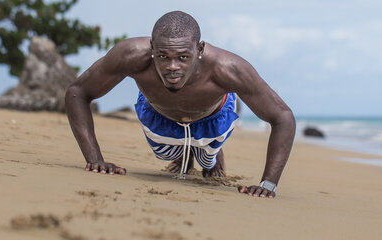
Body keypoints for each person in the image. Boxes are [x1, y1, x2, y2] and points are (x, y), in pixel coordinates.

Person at [65, 11, 295, 198]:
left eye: (183, 57)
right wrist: (95, 160)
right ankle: (184, 151)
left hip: (213, 116)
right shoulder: (132, 55)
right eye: (163, 56)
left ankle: (209, 152)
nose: (172, 66)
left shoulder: (227, 69)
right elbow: (78, 92)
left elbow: (282, 117)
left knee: (208, 162)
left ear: (200, 49)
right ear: (152, 48)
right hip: (159, 114)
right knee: (167, 155)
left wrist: (268, 184)